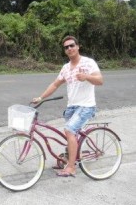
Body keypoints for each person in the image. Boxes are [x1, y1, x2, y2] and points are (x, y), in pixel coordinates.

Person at [32, 35, 103, 177]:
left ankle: (71, 167)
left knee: (69, 130)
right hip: (71, 107)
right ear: (65, 51)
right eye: (66, 47)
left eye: (72, 45)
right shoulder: (65, 68)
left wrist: (87, 77)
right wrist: (41, 97)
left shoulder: (88, 63)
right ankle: (71, 155)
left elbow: (100, 80)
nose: (69, 48)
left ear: (78, 46)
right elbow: (55, 84)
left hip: (86, 106)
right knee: (72, 134)